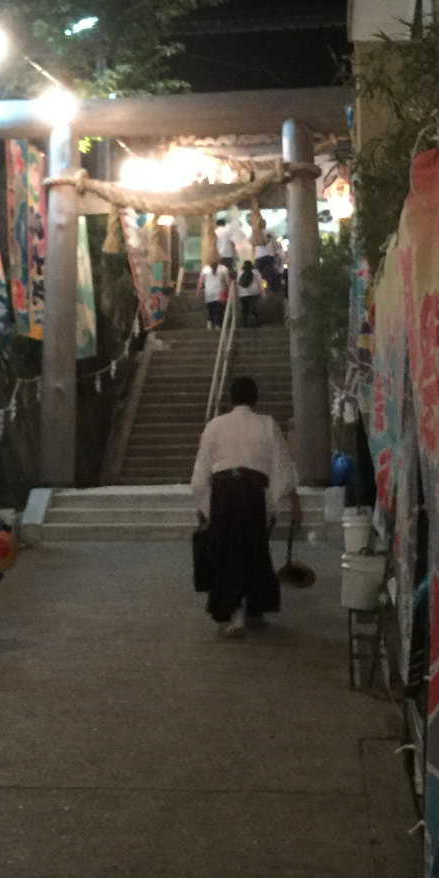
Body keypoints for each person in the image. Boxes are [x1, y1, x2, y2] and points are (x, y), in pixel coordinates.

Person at [191, 374, 300, 640]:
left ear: (230, 398)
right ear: (255, 399)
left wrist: (203, 503)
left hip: (223, 492)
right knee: (254, 549)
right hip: (253, 492)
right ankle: (255, 608)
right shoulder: (267, 424)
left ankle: (232, 611)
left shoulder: (215, 425)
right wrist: (292, 502)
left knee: (225, 553)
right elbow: (282, 466)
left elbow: (202, 467)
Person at [201, 259, 231, 329]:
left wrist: (198, 291)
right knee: (219, 311)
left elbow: (201, 281)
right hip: (220, 294)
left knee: (211, 311)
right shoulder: (223, 268)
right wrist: (230, 289)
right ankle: (218, 325)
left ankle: (209, 323)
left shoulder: (205, 269)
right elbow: (228, 281)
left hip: (209, 294)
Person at [235, 259, 262, 327]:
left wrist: (236, 292)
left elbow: (237, 282)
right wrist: (263, 291)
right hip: (254, 293)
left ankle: (244, 324)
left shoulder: (239, 272)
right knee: (254, 308)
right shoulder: (256, 271)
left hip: (242, 294)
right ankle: (256, 322)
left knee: (245, 309)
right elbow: (260, 282)